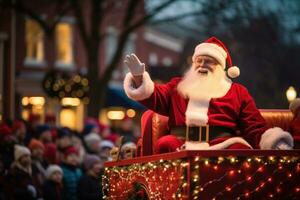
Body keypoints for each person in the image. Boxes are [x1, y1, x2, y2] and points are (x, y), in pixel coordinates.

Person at [123, 36, 294, 153]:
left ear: (221, 67)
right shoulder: (178, 86)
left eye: (209, 61)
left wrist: (275, 143)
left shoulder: (237, 92)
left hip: (221, 144)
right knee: (165, 143)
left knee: (239, 149)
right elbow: (154, 95)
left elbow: (254, 126)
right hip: (180, 144)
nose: (202, 65)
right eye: (199, 60)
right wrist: (138, 78)